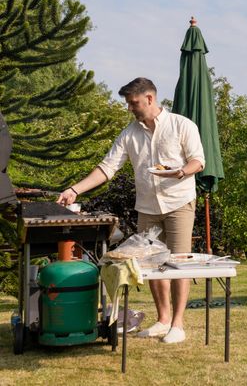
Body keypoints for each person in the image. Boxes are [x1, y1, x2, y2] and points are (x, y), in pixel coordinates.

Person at [57, 77, 205, 344]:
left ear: (149, 98)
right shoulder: (129, 134)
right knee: (151, 262)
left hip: (179, 202)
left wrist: (181, 172)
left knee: (178, 262)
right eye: (128, 103)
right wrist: (75, 190)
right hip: (147, 207)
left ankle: (178, 324)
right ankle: (163, 320)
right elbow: (107, 168)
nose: (130, 108)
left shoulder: (182, 125)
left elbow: (198, 161)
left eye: (133, 103)